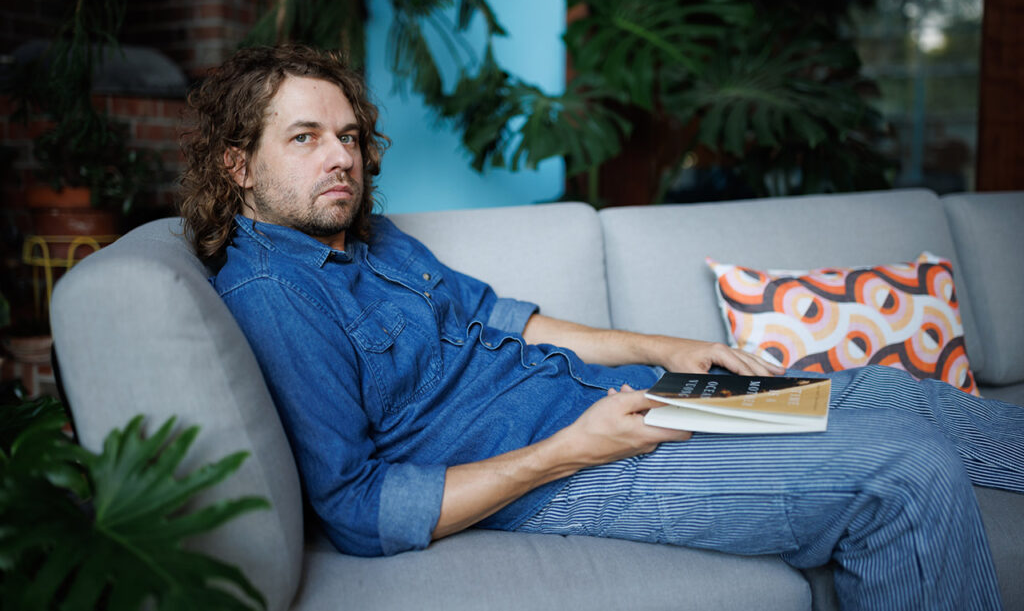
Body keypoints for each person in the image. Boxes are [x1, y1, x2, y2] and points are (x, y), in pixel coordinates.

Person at [179, 44, 1023, 611]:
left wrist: (667, 348)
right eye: (306, 138)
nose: (343, 158)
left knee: (889, 390)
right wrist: (571, 450)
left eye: (350, 136)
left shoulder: (367, 238)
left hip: (624, 403)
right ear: (238, 164)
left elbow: (505, 319)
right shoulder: (274, 292)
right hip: (569, 470)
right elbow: (361, 508)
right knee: (906, 468)